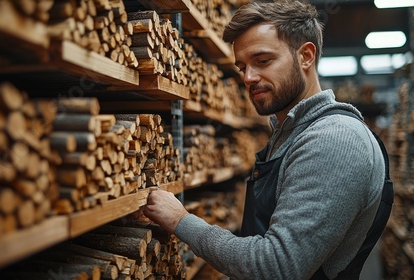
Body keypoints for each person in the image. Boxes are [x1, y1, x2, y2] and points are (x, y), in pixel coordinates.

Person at [143, 1, 393, 279]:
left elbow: (275, 267)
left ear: (306, 56)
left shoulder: (334, 139)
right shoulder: (289, 131)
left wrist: (181, 221)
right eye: (242, 67)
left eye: (263, 61)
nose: (249, 77)